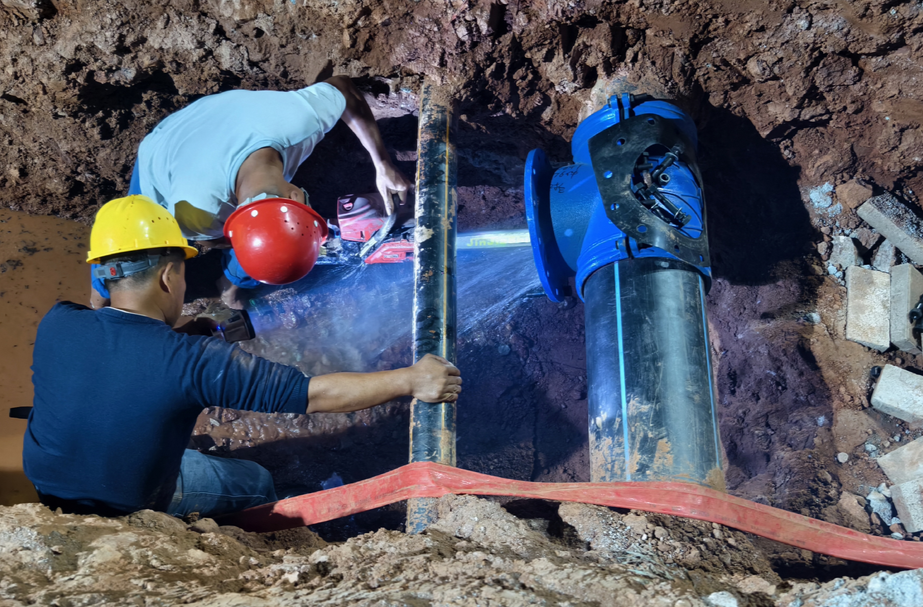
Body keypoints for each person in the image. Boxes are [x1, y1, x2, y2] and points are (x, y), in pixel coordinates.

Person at [25, 195, 460, 519]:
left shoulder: (58, 322)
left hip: (52, 488)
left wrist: (184, 333)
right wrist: (411, 379)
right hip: (127, 505)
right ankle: (241, 525)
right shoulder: (193, 361)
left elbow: (122, 350)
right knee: (254, 480)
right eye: (181, 272)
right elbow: (314, 394)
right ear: (167, 275)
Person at [89, 76, 413, 310]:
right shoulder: (195, 212)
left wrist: (382, 164)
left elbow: (343, 88)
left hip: (218, 116)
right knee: (121, 246)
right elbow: (203, 241)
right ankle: (97, 297)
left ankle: (229, 287)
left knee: (264, 247)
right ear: (298, 197)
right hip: (161, 152)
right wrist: (224, 241)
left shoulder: (299, 121)